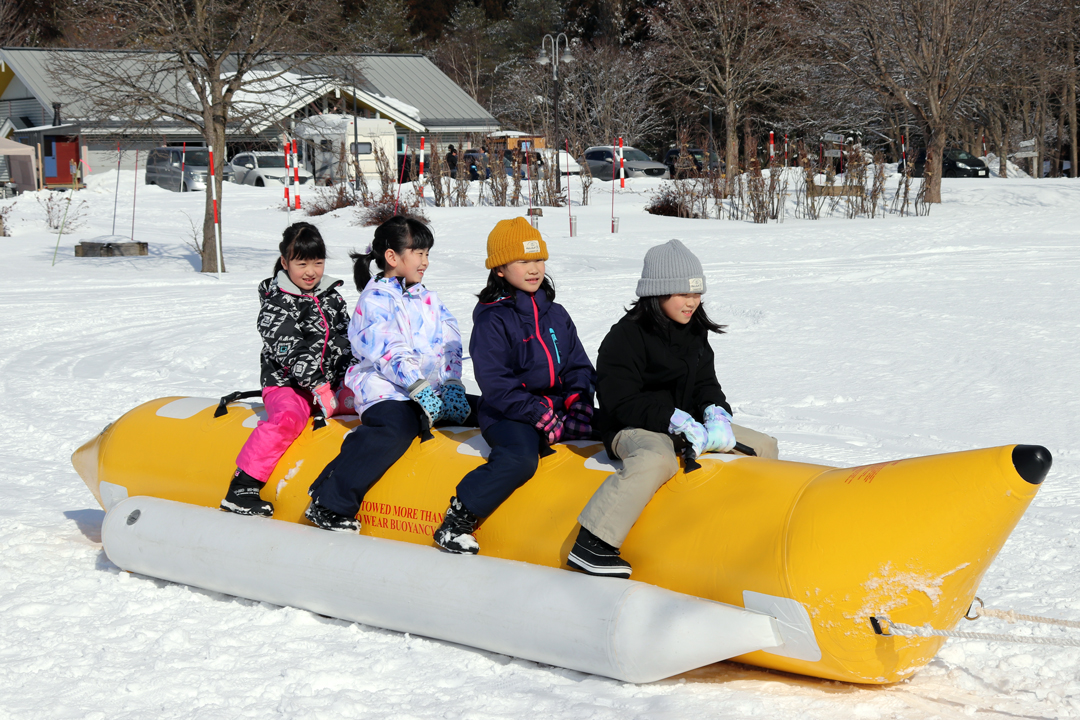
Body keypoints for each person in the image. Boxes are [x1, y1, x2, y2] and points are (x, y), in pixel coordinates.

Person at [566, 239, 779, 578]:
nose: (692, 302)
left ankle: (757, 531)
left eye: (697, 294)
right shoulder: (625, 338)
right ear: (658, 293)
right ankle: (593, 543)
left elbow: (706, 382)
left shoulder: (694, 331)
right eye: (683, 294)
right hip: (631, 426)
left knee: (764, 445)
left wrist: (715, 413)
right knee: (657, 458)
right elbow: (619, 400)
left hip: (685, 423)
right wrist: (671, 419)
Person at [433, 217, 596, 554]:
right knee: (520, 460)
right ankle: (458, 518)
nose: (534, 269)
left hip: (557, 407)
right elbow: (496, 383)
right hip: (509, 413)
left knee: (617, 428)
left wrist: (579, 401)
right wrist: (535, 412)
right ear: (500, 270)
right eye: (523, 261)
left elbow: (579, 364)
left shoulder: (557, 313)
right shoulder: (493, 319)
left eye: (538, 259)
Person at [305, 216, 471, 532]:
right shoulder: (376, 299)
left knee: (479, 409)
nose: (425, 261)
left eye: (427, 254)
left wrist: (451, 383)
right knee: (397, 426)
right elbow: (387, 348)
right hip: (384, 389)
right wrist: (417, 384)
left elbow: (450, 339)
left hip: (425, 391)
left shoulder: (428, 298)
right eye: (418, 253)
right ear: (393, 257)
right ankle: (330, 501)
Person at [221, 222, 355, 517]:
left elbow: (347, 339)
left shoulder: (331, 295)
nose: (311, 271)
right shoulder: (276, 303)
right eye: (302, 263)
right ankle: (243, 486)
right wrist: (317, 386)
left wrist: (352, 375)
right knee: (287, 419)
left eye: (317, 262)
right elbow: (290, 348)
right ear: (285, 262)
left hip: (330, 384)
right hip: (287, 385)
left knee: (367, 403)